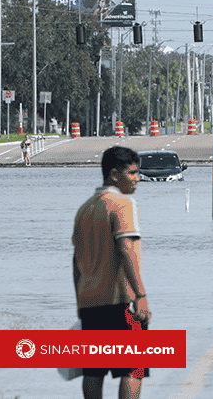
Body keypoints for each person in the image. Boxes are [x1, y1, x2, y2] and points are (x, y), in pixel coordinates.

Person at [72, 146, 151, 399]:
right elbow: (126, 249)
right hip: (121, 302)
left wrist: (80, 302)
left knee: (93, 371)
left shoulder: (85, 209)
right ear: (115, 175)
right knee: (134, 369)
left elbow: (76, 262)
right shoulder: (123, 204)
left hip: (90, 302)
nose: (137, 179)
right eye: (132, 173)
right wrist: (140, 296)